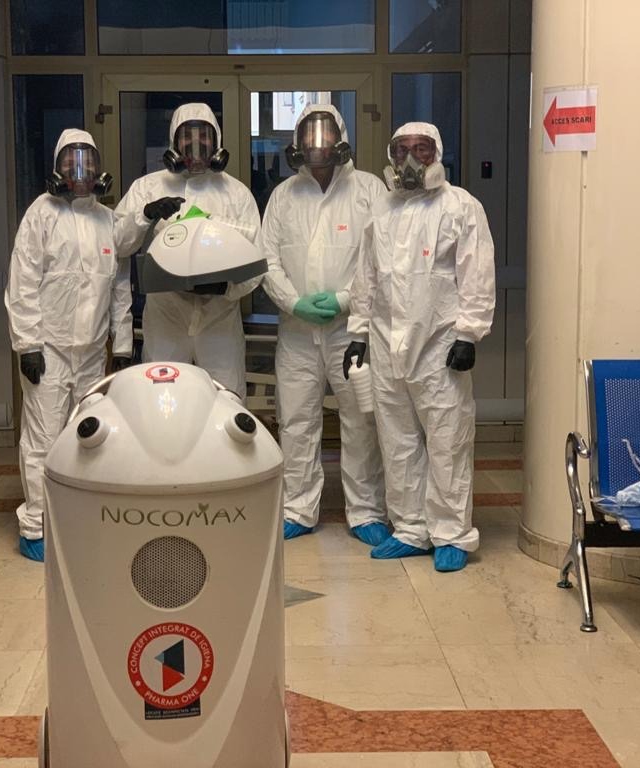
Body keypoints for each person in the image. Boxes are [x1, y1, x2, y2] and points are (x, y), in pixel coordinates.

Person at [344, 122, 495, 572]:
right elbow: (366, 276)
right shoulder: (382, 210)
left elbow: (477, 273)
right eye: (401, 150)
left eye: (421, 149)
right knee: (397, 440)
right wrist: (358, 332)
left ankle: (451, 533)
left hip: (439, 345)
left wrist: (469, 333)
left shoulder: (460, 206)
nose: (410, 159)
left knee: (448, 439)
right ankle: (410, 528)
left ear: (437, 154)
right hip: (385, 342)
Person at [261, 105, 389, 544]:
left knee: (360, 421)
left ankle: (366, 511)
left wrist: (344, 299)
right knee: (296, 421)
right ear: (296, 142)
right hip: (297, 332)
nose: (317, 145)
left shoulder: (368, 190)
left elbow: (379, 259)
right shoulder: (283, 196)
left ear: (342, 138)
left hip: (351, 332)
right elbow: (267, 260)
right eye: (309, 136)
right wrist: (293, 302)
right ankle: (298, 507)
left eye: (326, 134)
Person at [4, 128, 133, 562]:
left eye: (88, 162)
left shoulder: (108, 220)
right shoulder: (41, 214)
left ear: (99, 168)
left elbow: (119, 288)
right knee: (42, 439)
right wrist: (28, 344)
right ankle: (37, 526)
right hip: (50, 351)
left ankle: (81, 521)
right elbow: (23, 280)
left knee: (89, 438)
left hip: (92, 353)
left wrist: (122, 344)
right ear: (57, 167)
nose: (80, 172)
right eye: (71, 162)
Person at [114, 103, 262, 400]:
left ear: (217, 141)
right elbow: (119, 243)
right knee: (162, 401)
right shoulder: (147, 188)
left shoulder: (237, 194)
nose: (196, 144)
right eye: (187, 136)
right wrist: (145, 215)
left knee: (226, 401)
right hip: (166, 318)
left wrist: (225, 288)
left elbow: (256, 261)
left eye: (204, 135)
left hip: (219, 321)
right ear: (174, 141)